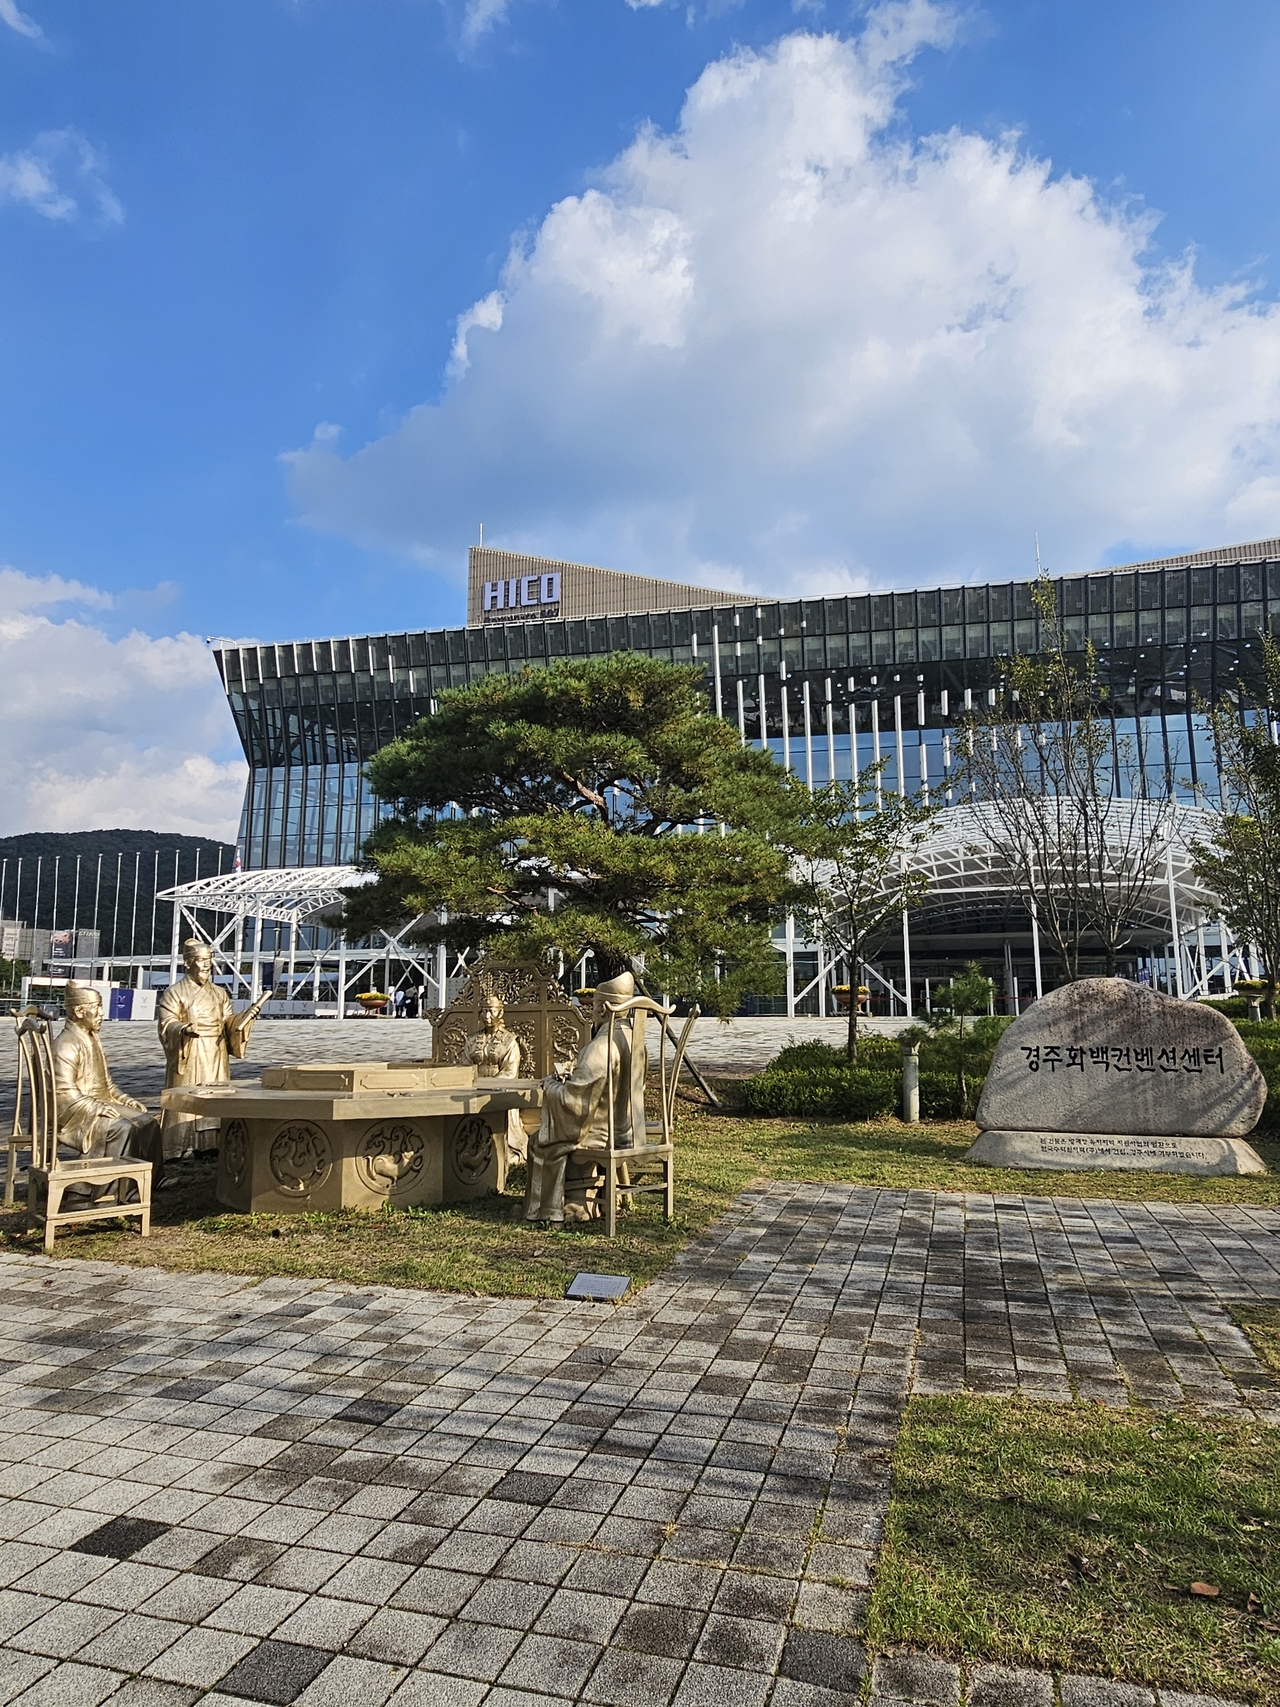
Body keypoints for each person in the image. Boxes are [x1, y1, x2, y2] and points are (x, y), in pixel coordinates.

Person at [524, 972, 635, 1224]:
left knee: (539, 1141)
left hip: (602, 1134)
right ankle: (584, 1198)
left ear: (604, 1010)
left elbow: (574, 1104)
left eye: (594, 1008)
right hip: (627, 1129)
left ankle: (547, 1210)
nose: (592, 1015)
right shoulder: (633, 1040)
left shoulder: (600, 1047)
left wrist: (551, 1084)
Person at [157, 940, 271, 1158]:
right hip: (191, 1049)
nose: (206, 966)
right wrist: (183, 1029)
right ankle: (183, 1145)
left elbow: (228, 1023)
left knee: (217, 1095)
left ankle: (214, 1142)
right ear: (188, 963)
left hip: (216, 1050)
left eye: (209, 961)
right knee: (190, 1096)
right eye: (201, 960)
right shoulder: (175, 992)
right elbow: (167, 1022)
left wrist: (245, 1019)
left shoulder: (219, 993)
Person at [52, 983, 165, 1197]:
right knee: (123, 1128)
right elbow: (63, 1093)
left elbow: (107, 1084)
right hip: (77, 1112)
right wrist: (95, 1107)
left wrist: (125, 1099)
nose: (102, 1013)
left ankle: (151, 1180)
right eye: (96, 1007)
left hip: (100, 1103)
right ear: (78, 1011)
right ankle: (112, 1191)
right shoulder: (65, 1045)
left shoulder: (92, 1038)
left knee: (147, 1122)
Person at [464, 990, 527, 1167]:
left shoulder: (509, 1041)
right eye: (483, 1011)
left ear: (500, 1012)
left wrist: (488, 1087)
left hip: (500, 1092)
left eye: (491, 1011)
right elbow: (464, 1067)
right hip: (472, 1090)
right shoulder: (472, 1040)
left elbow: (510, 1072)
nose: (487, 1015)